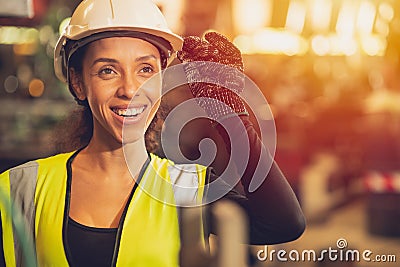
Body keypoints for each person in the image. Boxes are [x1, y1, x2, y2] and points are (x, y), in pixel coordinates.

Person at [0, 0, 305, 266]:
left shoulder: (187, 190)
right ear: (78, 83)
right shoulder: (22, 188)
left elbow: (285, 223)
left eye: (145, 69)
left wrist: (229, 114)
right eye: (108, 70)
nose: (130, 89)